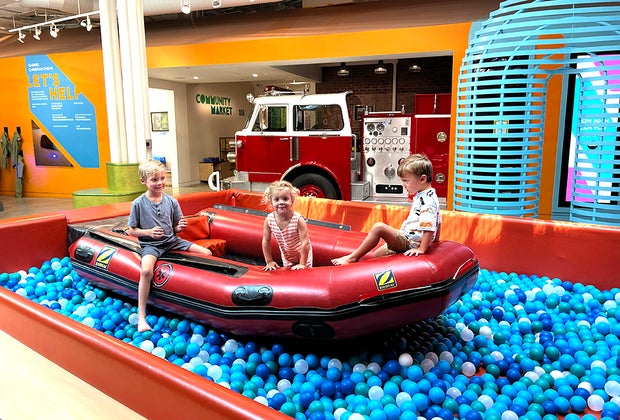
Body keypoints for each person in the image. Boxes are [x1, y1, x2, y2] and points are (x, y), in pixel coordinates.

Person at [127, 159, 212, 332]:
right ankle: (141, 316)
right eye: (154, 180)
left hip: (172, 241)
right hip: (152, 245)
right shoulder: (138, 203)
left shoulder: (172, 201)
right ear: (143, 181)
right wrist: (149, 232)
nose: (160, 183)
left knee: (207, 254)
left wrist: (180, 227)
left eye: (162, 178)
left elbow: (174, 227)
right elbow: (131, 231)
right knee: (146, 271)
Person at [332, 154, 441, 265]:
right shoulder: (429, 194)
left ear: (422, 179)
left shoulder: (427, 201)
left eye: (406, 181)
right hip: (410, 237)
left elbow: (428, 226)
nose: (404, 185)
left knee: (378, 228)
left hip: (410, 241)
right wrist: (436, 241)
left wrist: (422, 249)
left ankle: (351, 258)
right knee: (378, 255)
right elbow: (438, 221)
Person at [262, 180, 313, 271]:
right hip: (287, 256)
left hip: (303, 255)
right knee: (288, 275)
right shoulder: (269, 220)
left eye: (285, 199)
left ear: (292, 201)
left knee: (303, 273)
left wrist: (302, 263)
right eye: (276, 199)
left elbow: (305, 243)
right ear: (271, 202)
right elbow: (266, 240)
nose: (281, 202)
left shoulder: (298, 220)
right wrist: (269, 261)